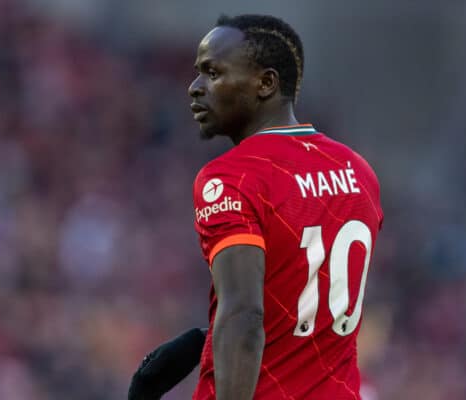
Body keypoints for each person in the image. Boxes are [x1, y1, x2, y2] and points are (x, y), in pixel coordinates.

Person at [129, 14, 383, 400]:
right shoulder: (358, 171)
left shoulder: (233, 177)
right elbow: (299, 299)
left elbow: (245, 316)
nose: (195, 88)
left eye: (213, 74)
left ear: (265, 84)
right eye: (198, 73)